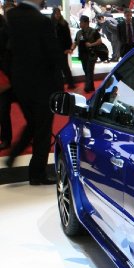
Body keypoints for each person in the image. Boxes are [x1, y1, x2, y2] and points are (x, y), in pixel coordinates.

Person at [4, 0, 63, 184]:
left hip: (20, 84)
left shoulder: (11, 17)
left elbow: (6, 51)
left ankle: (14, 154)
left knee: (33, 124)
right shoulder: (41, 21)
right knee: (43, 130)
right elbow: (53, 54)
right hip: (42, 85)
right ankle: (37, 174)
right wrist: (62, 82)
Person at [72, 15, 101, 93]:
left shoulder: (94, 31)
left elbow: (99, 41)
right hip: (82, 55)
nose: (80, 23)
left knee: (89, 70)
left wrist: (91, 44)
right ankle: (91, 87)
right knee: (86, 71)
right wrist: (71, 49)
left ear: (86, 23)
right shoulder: (79, 32)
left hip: (91, 55)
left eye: (81, 22)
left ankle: (87, 87)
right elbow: (76, 42)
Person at [51, 7, 75, 88]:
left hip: (62, 49)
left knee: (65, 67)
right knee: (57, 68)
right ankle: (59, 85)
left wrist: (68, 48)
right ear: (54, 14)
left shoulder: (64, 23)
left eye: (59, 13)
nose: (57, 15)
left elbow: (68, 37)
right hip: (54, 49)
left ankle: (70, 84)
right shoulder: (50, 23)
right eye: (56, 13)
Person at [0, 9, 13, 151]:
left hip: (8, 77)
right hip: (8, 76)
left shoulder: (5, 32)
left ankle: (6, 138)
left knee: (3, 110)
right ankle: (5, 138)